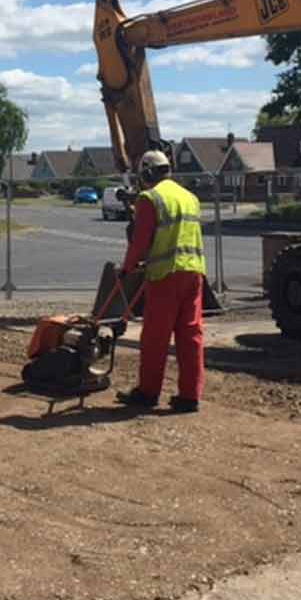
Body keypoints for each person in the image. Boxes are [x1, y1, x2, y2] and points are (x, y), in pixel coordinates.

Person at [115, 150, 206, 413]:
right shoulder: (190, 198)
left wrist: (127, 268)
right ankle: (190, 396)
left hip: (166, 276)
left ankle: (148, 392)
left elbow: (141, 241)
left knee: (156, 337)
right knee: (191, 336)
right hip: (194, 272)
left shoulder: (150, 199)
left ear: (146, 173)